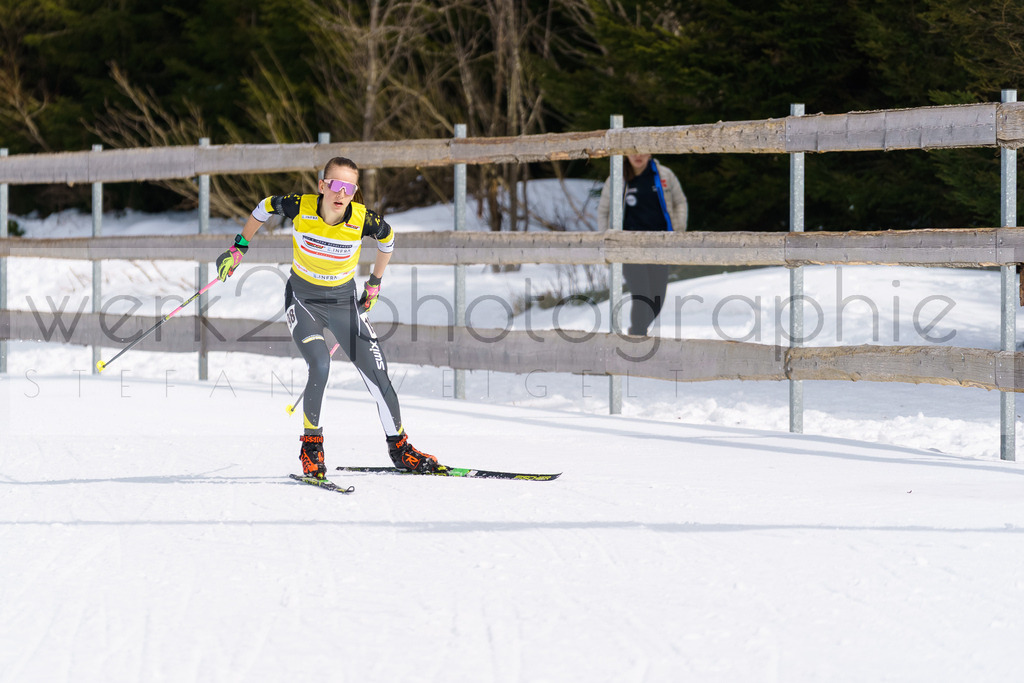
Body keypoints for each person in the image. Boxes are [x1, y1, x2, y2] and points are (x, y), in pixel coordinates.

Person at [214, 156, 439, 479]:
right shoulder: (299, 206)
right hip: (304, 301)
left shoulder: (364, 220)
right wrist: (239, 247)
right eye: (335, 184)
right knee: (320, 363)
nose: (341, 193)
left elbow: (388, 241)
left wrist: (374, 283)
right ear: (322, 185)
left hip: (344, 304)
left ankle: (400, 449)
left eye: (349, 188)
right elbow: (263, 207)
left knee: (378, 374)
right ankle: (311, 449)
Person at [598, 153, 688, 336]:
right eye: (633, 151)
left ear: (650, 151)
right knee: (642, 293)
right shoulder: (617, 178)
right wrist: (608, 241)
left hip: (659, 246)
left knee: (657, 299)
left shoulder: (664, 175)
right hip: (628, 248)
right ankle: (637, 338)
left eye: (643, 150)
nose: (638, 156)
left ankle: (636, 331)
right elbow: (603, 211)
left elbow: (680, 202)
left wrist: (678, 231)